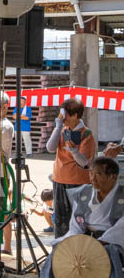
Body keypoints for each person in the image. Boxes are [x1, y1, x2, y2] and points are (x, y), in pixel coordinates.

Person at [40, 156, 124, 278]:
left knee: (108, 254)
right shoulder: (84, 193)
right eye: (91, 173)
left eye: (98, 174)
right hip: (85, 237)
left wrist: (99, 242)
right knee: (60, 250)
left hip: (111, 240)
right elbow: (77, 222)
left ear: (113, 176)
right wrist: (77, 241)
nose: (92, 178)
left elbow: (121, 226)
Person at [46, 99, 96, 238]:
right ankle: (62, 252)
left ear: (75, 115)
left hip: (79, 183)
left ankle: (80, 253)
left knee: (79, 222)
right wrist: (57, 127)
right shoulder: (62, 129)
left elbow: (84, 163)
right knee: (61, 221)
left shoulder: (86, 134)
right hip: (59, 180)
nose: (62, 117)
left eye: (65, 114)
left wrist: (74, 151)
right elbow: (50, 148)